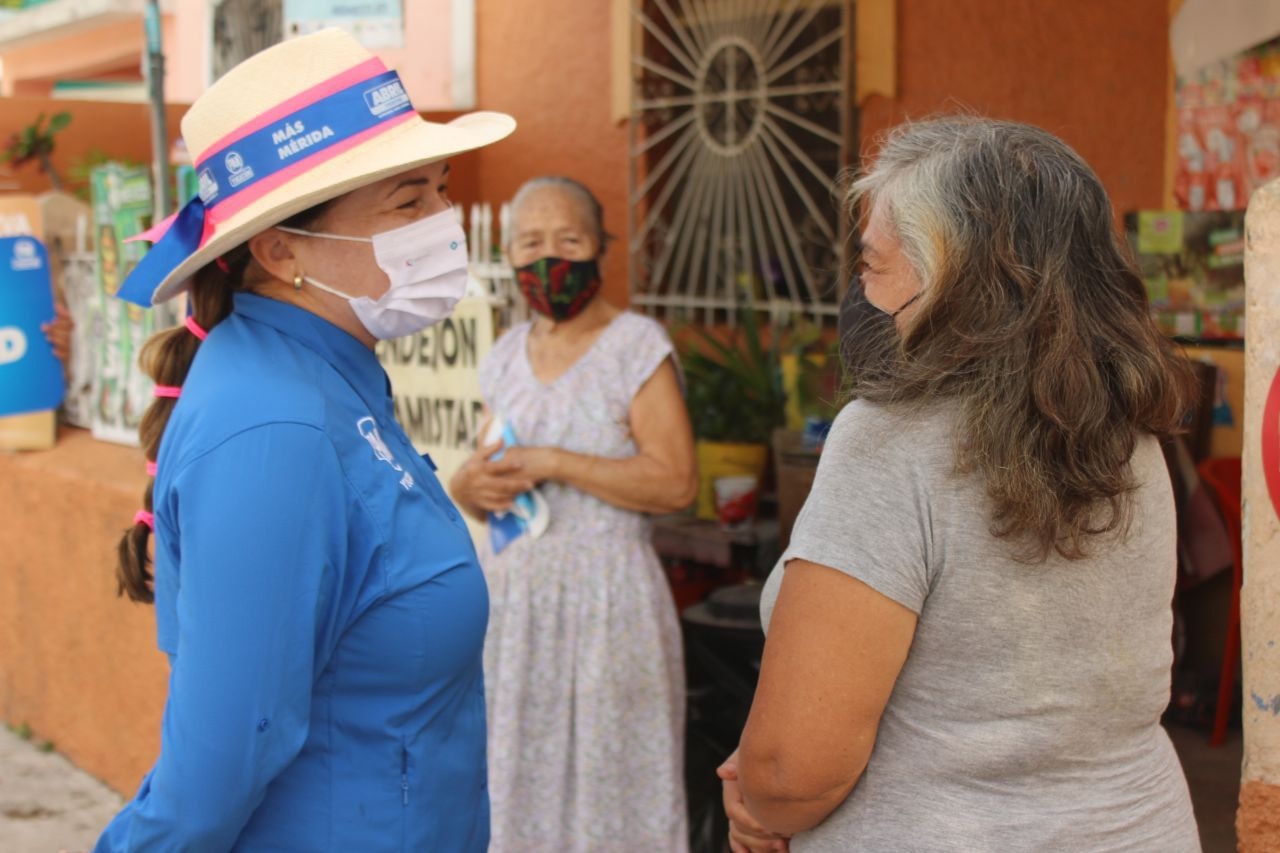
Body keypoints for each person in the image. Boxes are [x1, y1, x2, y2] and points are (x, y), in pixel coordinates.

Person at [718, 117, 1201, 852]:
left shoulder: (887, 441)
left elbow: (791, 770)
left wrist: (762, 792)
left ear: (954, 278)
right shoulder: (1132, 432)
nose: (859, 290)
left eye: (874, 264)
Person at [94, 29, 514, 850]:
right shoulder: (276, 429)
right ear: (281, 249)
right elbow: (212, 780)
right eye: (407, 201)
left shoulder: (327, 377)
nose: (444, 221)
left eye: (440, 188)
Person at [449, 176, 698, 851]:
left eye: (569, 239)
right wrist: (469, 484)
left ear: (600, 247)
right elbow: (486, 479)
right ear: (508, 255)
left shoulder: (635, 346)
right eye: (530, 242)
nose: (548, 256)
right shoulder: (502, 357)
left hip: (608, 607)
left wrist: (557, 462)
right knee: (513, 779)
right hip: (514, 610)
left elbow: (677, 482)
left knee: (613, 780)